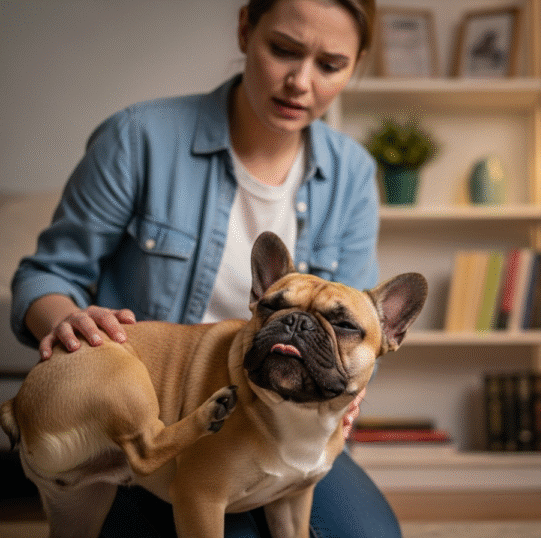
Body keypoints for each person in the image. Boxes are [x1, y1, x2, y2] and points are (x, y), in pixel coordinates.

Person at [11, 1, 401, 536]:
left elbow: (362, 325)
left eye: (330, 65)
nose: (299, 81)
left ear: (355, 66)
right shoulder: (139, 138)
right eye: (283, 50)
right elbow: (46, 274)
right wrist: (65, 319)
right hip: (152, 414)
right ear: (245, 28)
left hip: (289, 420)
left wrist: (344, 400)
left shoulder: (352, 172)